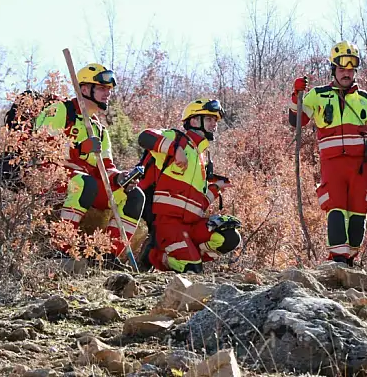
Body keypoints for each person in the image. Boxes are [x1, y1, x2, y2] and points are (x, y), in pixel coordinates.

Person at [289, 41, 367, 266]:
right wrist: (297, 95)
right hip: (332, 165)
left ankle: (351, 257)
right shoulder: (317, 95)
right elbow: (296, 121)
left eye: (350, 69)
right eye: (342, 69)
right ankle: (338, 261)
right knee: (335, 208)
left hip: (360, 166)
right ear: (333, 69)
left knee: (358, 213)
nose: (346, 73)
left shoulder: (364, 98)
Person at [35, 64, 144, 258]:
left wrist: (120, 178)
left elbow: (106, 168)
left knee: (134, 195)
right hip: (48, 178)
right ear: (84, 89)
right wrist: (80, 148)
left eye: (109, 89)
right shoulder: (60, 110)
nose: (107, 94)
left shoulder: (100, 130)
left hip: (86, 183)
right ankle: (60, 248)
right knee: (84, 182)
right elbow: (40, 149)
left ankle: (107, 254)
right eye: (102, 88)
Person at [136, 98, 241, 273]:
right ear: (193, 121)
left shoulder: (203, 160)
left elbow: (198, 204)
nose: (214, 124)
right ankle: (155, 255)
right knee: (192, 269)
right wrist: (175, 149)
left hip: (192, 225)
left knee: (229, 237)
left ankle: (186, 253)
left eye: (215, 120)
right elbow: (145, 136)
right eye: (208, 119)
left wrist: (216, 189)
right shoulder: (177, 139)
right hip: (167, 225)